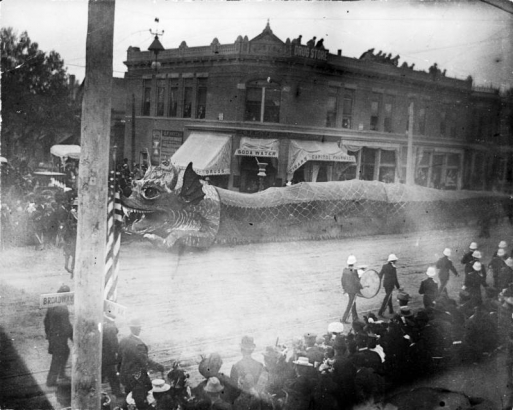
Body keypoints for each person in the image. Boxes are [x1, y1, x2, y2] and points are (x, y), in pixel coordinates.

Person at [118, 318, 165, 398]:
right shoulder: (139, 345)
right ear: (139, 329)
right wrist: (159, 367)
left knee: (129, 396)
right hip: (137, 377)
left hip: (124, 375)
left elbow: (119, 358)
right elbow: (145, 362)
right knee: (144, 394)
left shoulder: (124, 340)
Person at [44, 284, 73, 387]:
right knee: (57, 358)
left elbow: (46, 321)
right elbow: (66, 326)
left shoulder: (52, 305)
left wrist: (48, 334)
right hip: (60, 338)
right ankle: (51, 381)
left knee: (65, 352)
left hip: (53, 336)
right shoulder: (63, 308)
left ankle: (61, 374)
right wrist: (72, 337)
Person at [230, 336, 265, 400]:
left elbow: (232, 390)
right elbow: (262, 387)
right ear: (252, 350)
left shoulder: (236, 366)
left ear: (241, 349)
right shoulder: (260, 365)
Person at [102, 312, 122, 398]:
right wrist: (118, 352)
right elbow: (113, 343)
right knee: (112, 374)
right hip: (108, 355)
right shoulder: (110, 327)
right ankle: (117, 392)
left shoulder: (103, 324)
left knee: (104, 372)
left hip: (101, 353)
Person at [377, 254, 401, 318]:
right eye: (395, 260)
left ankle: (391, 310)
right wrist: (398, 287)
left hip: (385, 284)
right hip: (390, 285)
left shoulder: (384, 266)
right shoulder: (393, 268)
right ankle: (380, 312)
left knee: (389, 297)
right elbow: (395, 278)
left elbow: (380, 275)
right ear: (393, 261)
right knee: (387, 298)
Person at [341, 255, 362, 324]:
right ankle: (344, 319)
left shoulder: (345, 271)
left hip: (348, 290)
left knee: (353, 303)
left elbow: (342, 281)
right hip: (353, 290)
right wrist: (361, 287)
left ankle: (355, 317)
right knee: (351, 304)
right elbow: (356, 281)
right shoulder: (353, 272)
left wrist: (344, 289)